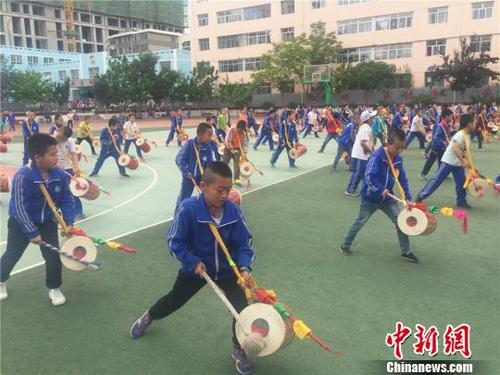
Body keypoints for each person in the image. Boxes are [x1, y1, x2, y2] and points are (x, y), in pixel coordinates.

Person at [129, 161, 255, 375]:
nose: (225, 195)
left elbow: (244, 243)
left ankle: (238, 349)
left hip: (227, 272)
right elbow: (175, 242)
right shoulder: (188, 209)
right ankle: (150, 315)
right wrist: (192, 261)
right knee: (174, 300)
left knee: (241, 310)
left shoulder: (232, 211)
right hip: (197, 270)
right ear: (203, 186)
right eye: (220, 190)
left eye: (228, 189)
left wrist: (244, 267)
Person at [0, 134, 75, 304]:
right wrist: (31, 231)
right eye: (52, 154)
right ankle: (1, 280)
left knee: (54, 257)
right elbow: (19, 208)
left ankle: (54, 289)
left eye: (57, 153)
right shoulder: (23, 176)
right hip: (20, 224)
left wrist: (68, 222)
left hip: (47, 223)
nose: (57, 158)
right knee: (12, 254)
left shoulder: (60, 175)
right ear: (37, 157)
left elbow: (67, 200)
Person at [340, 128, 418, 263]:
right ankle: (345, 244)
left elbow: (403, 180)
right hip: (370, 198)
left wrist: (408, 198)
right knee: (360, 221)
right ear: (388, 143)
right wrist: (380, 189)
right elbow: (369, 177)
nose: (400, 151)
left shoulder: (398, 159)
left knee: (400, 222)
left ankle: (406, 251)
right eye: (397, 148)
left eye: (402, 148)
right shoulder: (377, 156)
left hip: (387, 198)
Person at [416, 114, 476, 209]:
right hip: (448, 161)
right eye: (474, 122)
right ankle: (421, 196)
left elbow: (465, 151)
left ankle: (461, 201)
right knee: (436, 181)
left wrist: (470, 165)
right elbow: (456, 149)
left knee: (461, 183)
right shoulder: (460, 135)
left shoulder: (467, 135)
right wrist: (463, 161)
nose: (475, 124)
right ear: (469, 124)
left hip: (457, 163)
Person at [174, 123, 220, 211]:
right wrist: (186, 172)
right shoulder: (190, 144)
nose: (211, 138)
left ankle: (207, 217)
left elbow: (211, 163)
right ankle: (177, 217)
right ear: (200, 134)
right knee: (183, 199)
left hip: (203, 178)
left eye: (211, 135)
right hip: (189, 178)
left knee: (208, 197)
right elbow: (179, 159)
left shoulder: (209, 146)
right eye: (209, 135)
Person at [53, 126, 84, 219]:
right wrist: (56, 165)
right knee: (55, 191)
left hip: (67, 169)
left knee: (71, 190)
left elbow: (74, 155)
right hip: (55, 169)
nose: (62, 139)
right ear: (59, 132)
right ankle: (56, 212)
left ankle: (78, 210)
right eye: (61, 137)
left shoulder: (70, 141)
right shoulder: (51, 140)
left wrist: (76, 168)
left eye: (64, 139)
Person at [345, 110, 375, 196]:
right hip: (360, 155)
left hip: (361, 154)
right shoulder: (365, 129)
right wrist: (372, 152)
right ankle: (350, 189)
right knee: (358, 173)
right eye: (372, 117)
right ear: (368, 119)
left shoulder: (365, 127)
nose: (373, 119)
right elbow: (363, 143)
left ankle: (359, 188)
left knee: (361, 173)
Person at [419, 108, 453, 180]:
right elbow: (436, 137)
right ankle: (423, 174)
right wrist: (443, 142)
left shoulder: (446, 124)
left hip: (442, 147)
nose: (451, 118)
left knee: (442, 161)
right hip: (436, 147)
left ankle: (441, 174)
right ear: (446, 116)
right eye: (450, 116)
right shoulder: (441, 125)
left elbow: (447, 134)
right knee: (431, 161)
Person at [223, 120, 248, 185]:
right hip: (228, 150)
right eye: (239, 129)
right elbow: (228, 141)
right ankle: (221, 179)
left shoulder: (243, 133)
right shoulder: (232, 130)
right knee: (224, 164)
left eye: (242, 129)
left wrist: (244, 152)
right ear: (237, 127)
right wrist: (233, 150)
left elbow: (245, 143)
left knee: (237, 166)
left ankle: (236, 180)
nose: (240, 131)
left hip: (238, 150)